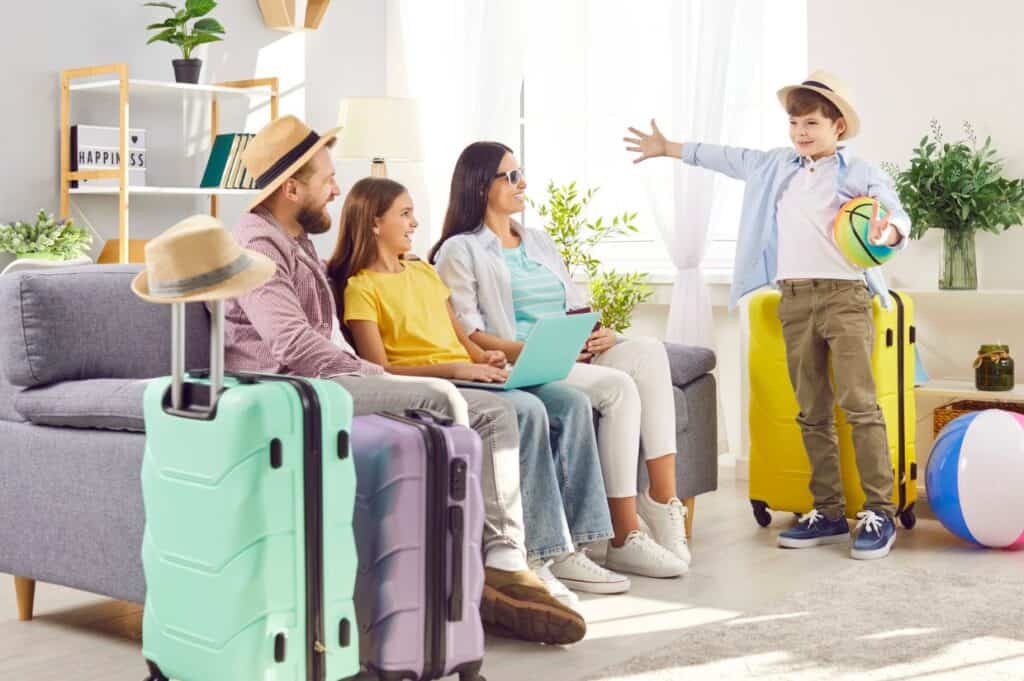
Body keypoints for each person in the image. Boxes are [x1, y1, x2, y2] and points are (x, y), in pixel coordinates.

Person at [222, 115, 584, 644]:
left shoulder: (295, 239)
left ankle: (497, 563)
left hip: (323, 378)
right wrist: (377, 374)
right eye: (326, 179)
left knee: (493, 407)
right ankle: (499, 569)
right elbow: (293, 346)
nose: (336, 189)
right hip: (292, 388)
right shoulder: (258, 245)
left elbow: (332, 317)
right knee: (464, 403)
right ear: (291, 187)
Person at [625, 70, 910, 560]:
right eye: (795, 123)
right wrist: (669, 147)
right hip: (793, 299)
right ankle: (828, 510)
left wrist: (888, 234)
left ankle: (878, 512)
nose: (801, 132)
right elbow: (723, 157)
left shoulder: (858, 172)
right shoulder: (775, 167)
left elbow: (896, 215)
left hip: (845, 299)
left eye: (812, 123)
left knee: (860, 404)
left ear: (838, 126)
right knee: (811, 410)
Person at [328, 176, 631, 608]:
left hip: (469, 370)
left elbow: (461, 338)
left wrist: (484, 359)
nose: (416, 222)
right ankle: (538, 553)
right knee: (526, 410)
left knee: (572, 402)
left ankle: (574, 548)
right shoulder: (362, 287)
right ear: (374, 223)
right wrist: (457, 366)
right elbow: (380, 368)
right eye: (405, 213)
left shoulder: (423, 271)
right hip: (436, 381)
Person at [431, 142, 689, 580]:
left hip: (570, 346)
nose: (522, 183)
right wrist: (542, 349)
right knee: (618, 388)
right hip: (527, 359)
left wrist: (598, 332)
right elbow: (471, 332)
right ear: (480, 186)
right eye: (510, 176)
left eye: (520, 173)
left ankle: (662, 502)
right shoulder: (461, 250)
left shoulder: (538, 241)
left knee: (647, 352)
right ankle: (624, 535)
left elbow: (574, 304)